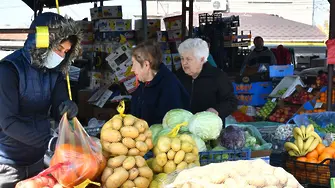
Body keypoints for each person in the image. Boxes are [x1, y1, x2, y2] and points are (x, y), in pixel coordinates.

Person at [0, 12, 82, 187]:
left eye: (66, 52)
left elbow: (58, 106)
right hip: (7, 164)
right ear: (43, 41)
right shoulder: (8, 70)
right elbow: (8, 122)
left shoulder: (55, 72)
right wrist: (49, 142)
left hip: (39, 161)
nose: (61, 56)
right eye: (59, 49)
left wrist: (67, 107)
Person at [176, 38, 237, 125]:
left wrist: (217, 110)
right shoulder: (178, 76)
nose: (184, 63)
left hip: (208, 129)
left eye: (188, 59)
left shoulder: (217, 76)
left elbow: (232, 101)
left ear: (202, 59)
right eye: (182, 58)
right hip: (182, 128)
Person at [130, 40, 189, 126]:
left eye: (133, 63)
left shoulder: (169, 87)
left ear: (146, 65)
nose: (132, 69)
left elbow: (169, 124)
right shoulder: (144, 84)